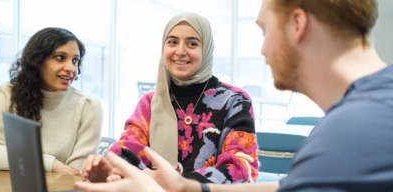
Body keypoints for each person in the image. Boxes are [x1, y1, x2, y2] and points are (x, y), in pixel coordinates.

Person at [74, 0, 393, 191]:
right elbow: (285, 187)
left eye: (264, 30)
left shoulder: (349, 134)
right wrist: (187, 188)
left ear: (298, 24)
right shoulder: (363, 118)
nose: (262, 49)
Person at [81, 13, 258, 184]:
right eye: (172, 42)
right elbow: (126, 151)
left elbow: (241, 169)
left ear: (206, 50)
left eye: (192, 43)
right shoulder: (151, 103)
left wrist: (172, 183)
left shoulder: (235, 101)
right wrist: (109, 168)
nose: (180, 51)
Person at [0, 27, 103, 175]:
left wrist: (28, 161)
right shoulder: (7, 94)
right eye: (60, 57)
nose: (70, 68)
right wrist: (51, 163)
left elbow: (74, 174)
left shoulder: (89, 106)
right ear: (37, 62)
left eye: (75, 60)